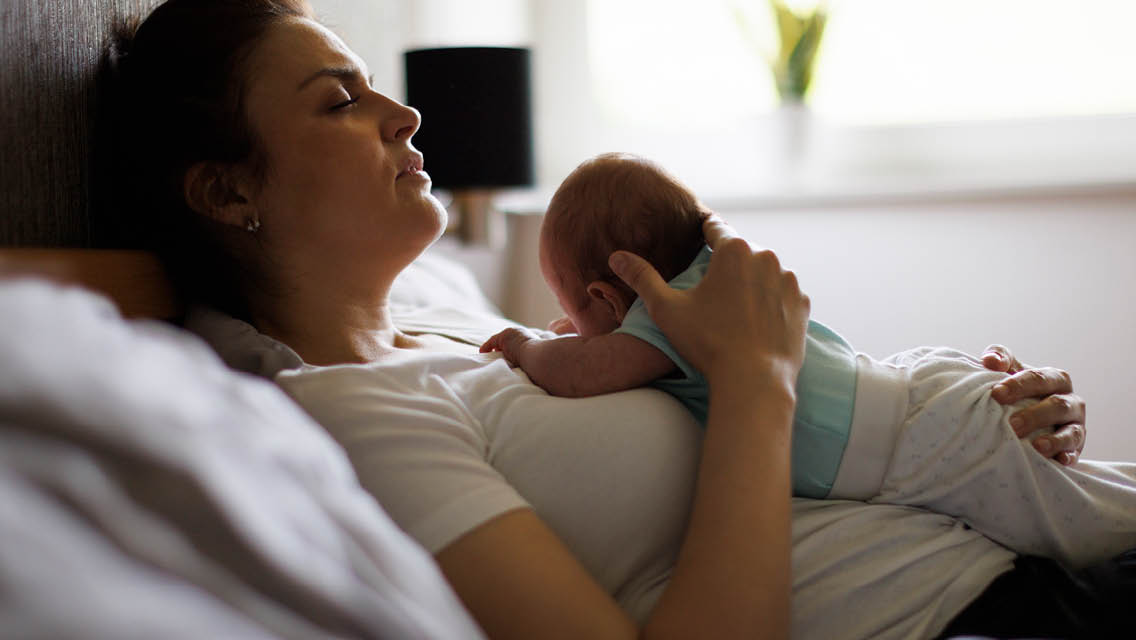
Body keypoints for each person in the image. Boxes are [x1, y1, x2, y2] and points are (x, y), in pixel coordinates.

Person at [109, 1, 1129, 637]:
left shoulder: (467, 340)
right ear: (224, 191)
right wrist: (755, 381)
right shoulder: (350, 418)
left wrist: (980, 425)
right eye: (339, 103)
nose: (404, 114)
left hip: (1023, 567)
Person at [480, 152, 1136, 570]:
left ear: (603, 294)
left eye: (573, 308)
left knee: (1093, 531)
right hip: (917, 391)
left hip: (918, 439)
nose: (575, 331)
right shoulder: (716, 283)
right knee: (1093, 494)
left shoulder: (664, 321)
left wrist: (523, 345)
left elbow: (582, 372)